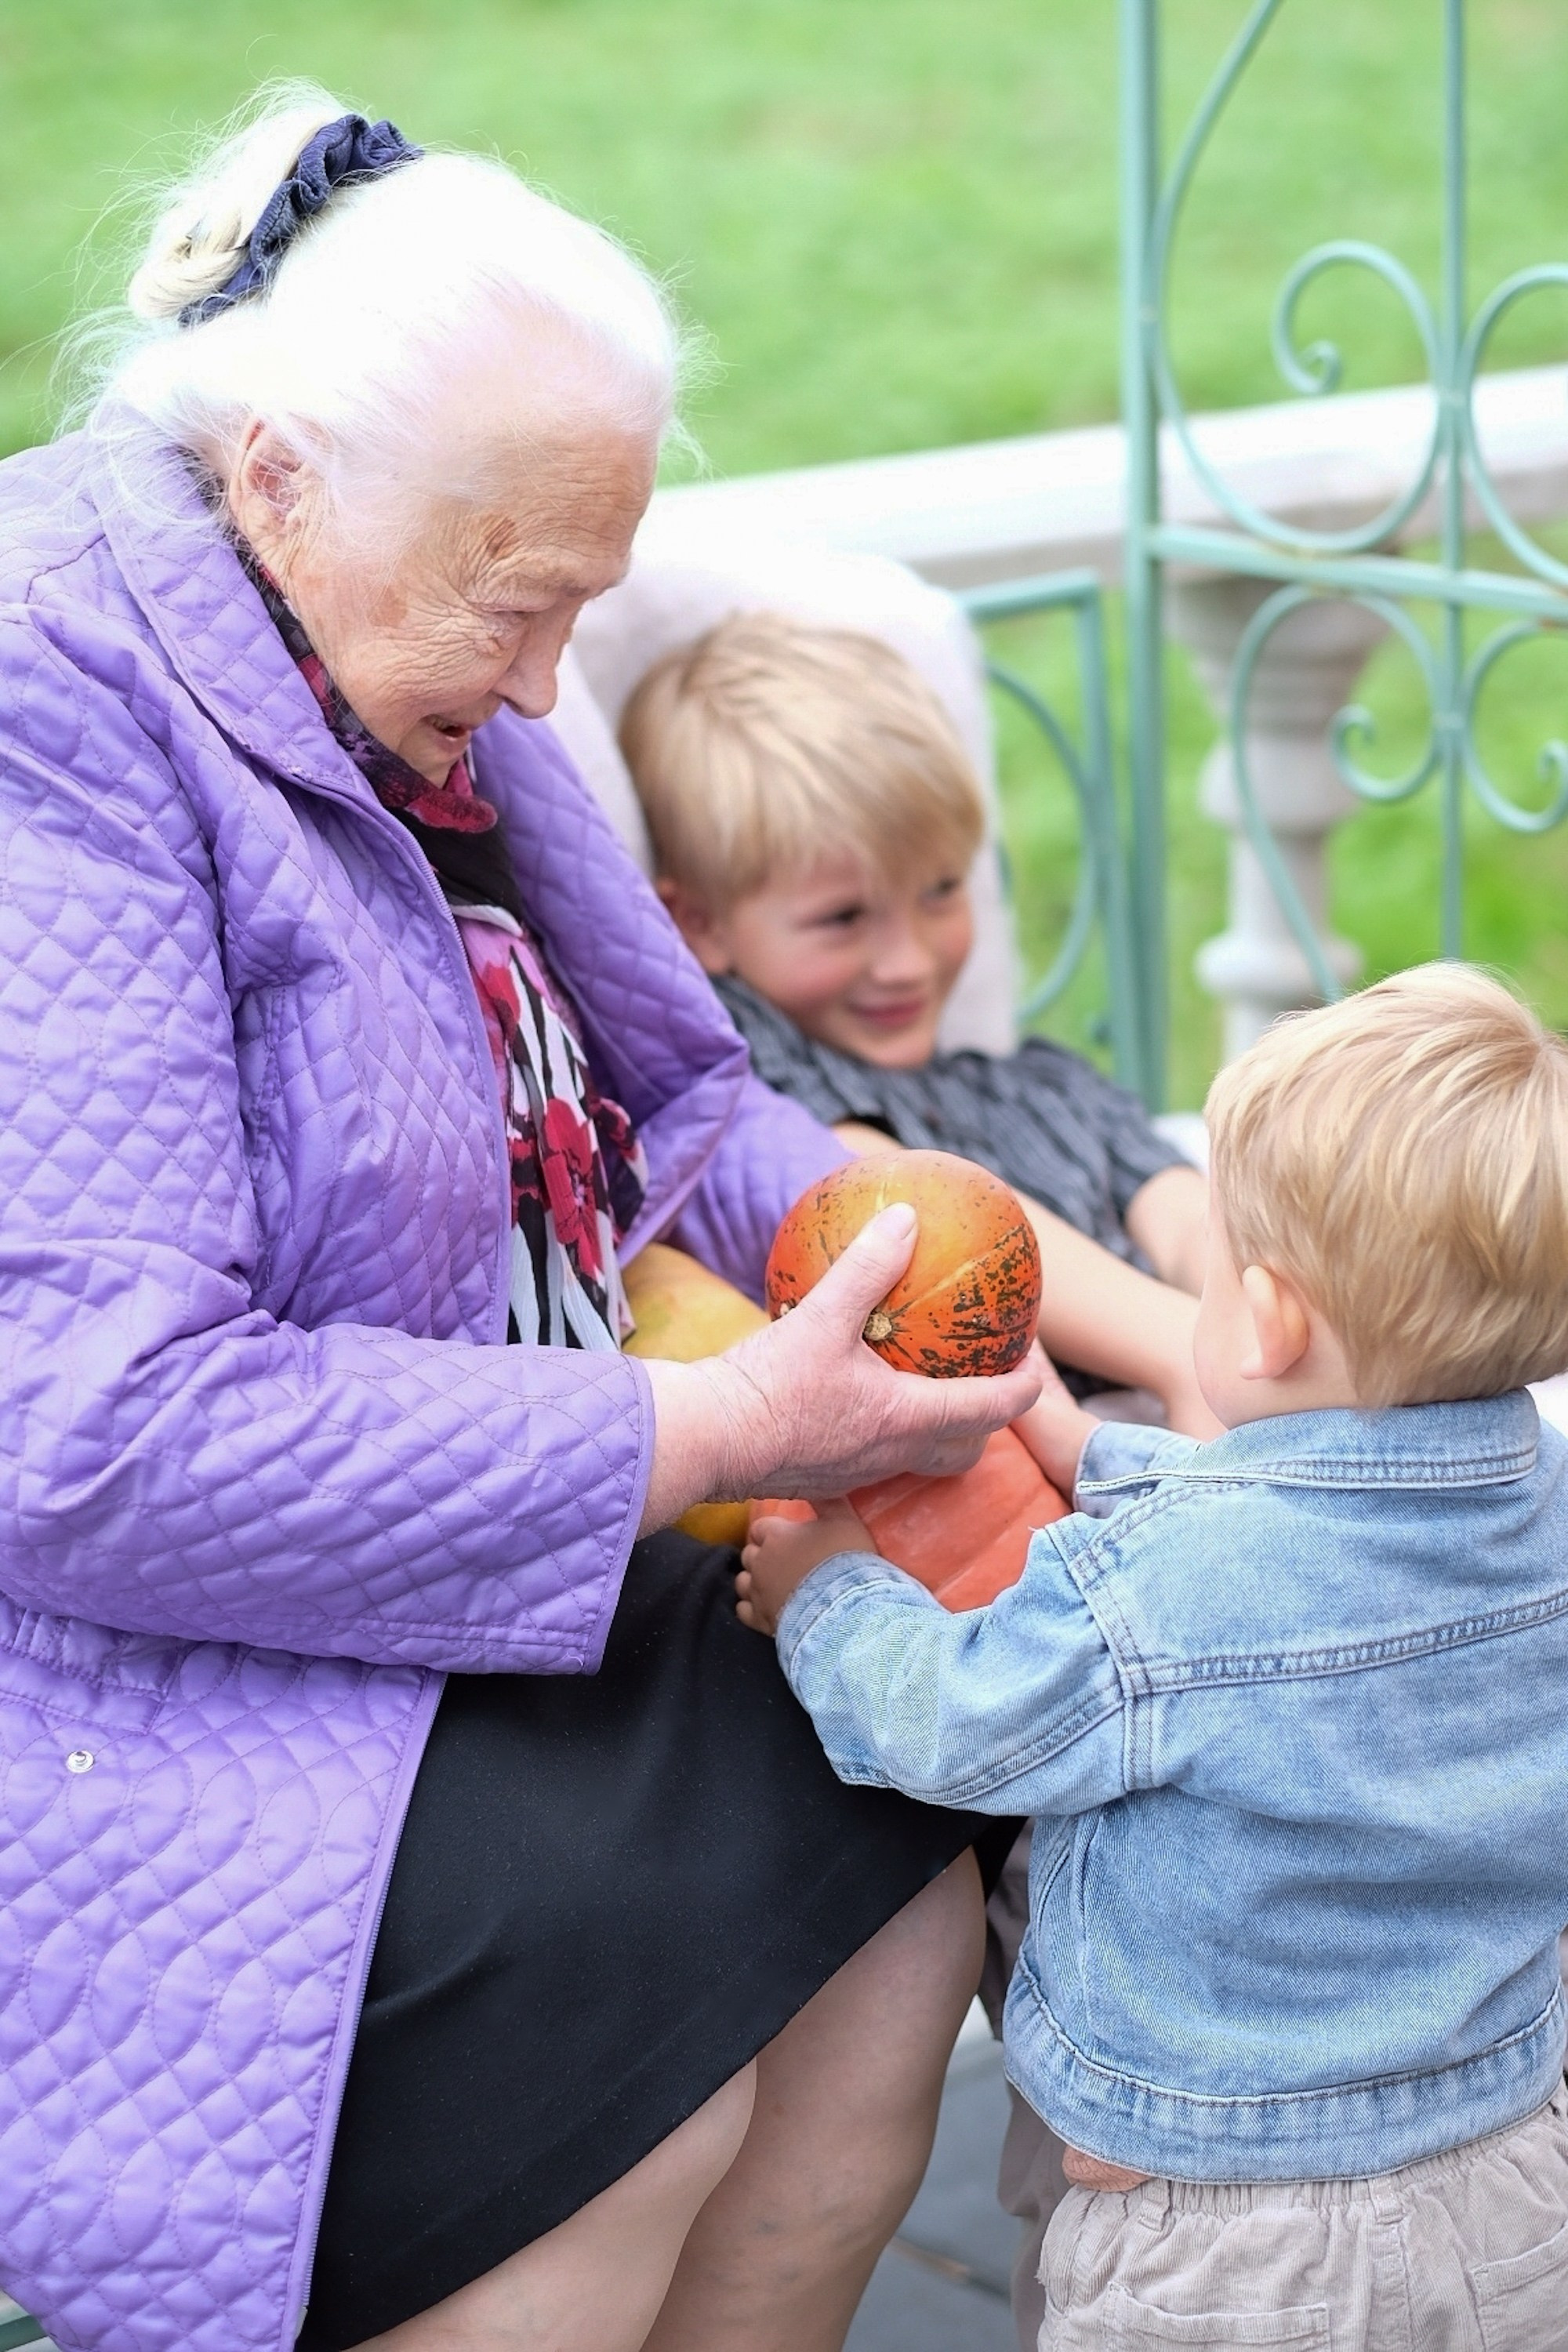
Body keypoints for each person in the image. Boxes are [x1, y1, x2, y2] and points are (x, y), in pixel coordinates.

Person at [0, 91, 1044, 2352]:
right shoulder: (47, 713)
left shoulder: (392, 626)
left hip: (508, 1527)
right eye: (527, 602)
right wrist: (714, 1437)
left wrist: (898, 1254)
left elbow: (666, 1107)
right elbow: (96, 1447)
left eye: (586, 596)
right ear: (278, 472)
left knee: (895, 1928)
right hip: (190, 1679)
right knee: (630, 2102)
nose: (558, 686)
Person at [737, 964, 1568, 2352]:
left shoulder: (1161, 1598)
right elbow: (1302, 1526)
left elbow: (955, 1723)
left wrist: (833, 1601)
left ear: (1267, 1317)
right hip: (1511, 2166)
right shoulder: (1541, 1516)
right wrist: (1082, 1447)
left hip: (1226, 2229)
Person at [619, 609, 1214, 1436]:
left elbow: (1185, 1219)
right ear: (701, 925)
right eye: (842, 918)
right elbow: (878, 1195)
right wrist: (1179, 1350)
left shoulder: (1040, 1089)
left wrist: (1250, 1315)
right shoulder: (755, 1087)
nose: (906, 961)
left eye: (939, 891)